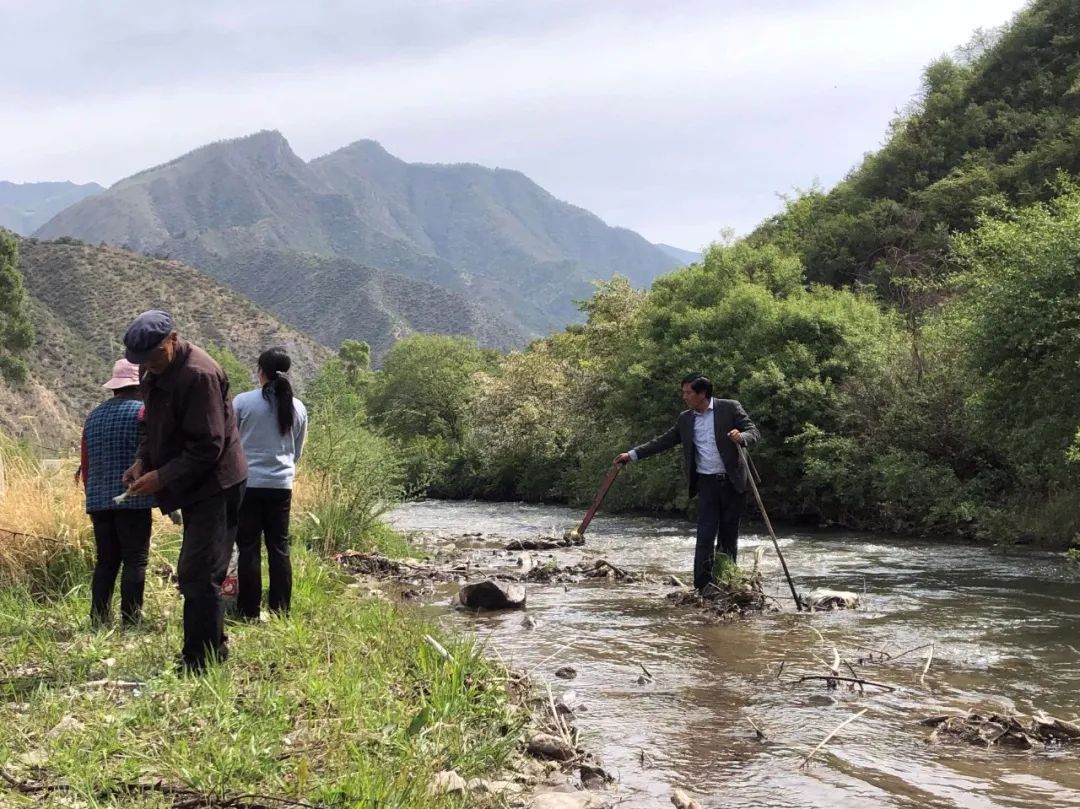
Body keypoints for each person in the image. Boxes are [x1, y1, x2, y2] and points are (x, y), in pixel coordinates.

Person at [120, 310, 247, 672]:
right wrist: (143, 462)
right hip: (192, 483)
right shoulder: (152, 371)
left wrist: (162, 477)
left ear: (172, 340)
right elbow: (152, 425)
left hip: (217, 483)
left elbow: (209, 446)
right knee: (199, 568)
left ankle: (200, 660)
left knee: (199, 570)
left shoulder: (199, 375)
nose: (147, 367)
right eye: (140, 362)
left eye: (153, 358)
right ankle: (211, 646)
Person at [615, 373, 761, 592]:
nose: (684, 397)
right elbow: (664, 440)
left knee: (729, 535)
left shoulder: (729, 408)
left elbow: (754, 431)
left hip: (733, 482)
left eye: (688, 392)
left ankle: (726, 581)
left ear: (702, 394)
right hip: (706, 483)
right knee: (705, 535)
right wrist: (632, 455)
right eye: (684, 392)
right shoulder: (686, 418)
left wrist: (742, 437)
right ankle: (702, 586)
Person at [77, 359, 155, 627]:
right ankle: (131, 620)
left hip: (99, 501)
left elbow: (85, 464)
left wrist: (92, 498)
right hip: (133, 499)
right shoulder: (143, 413)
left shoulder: (93, 417)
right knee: (135, 560)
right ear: (138, 386)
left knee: (106, 562)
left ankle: (98, 619)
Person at [233, 347, 307, 619]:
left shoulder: (242, 402)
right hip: (281, 485)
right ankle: (281, 610)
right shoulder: (297, 407)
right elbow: (296, 451)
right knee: (279, 548)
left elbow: (231, 443)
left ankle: (248, 610)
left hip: (248, 484)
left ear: (260, 370)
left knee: (248, 547)